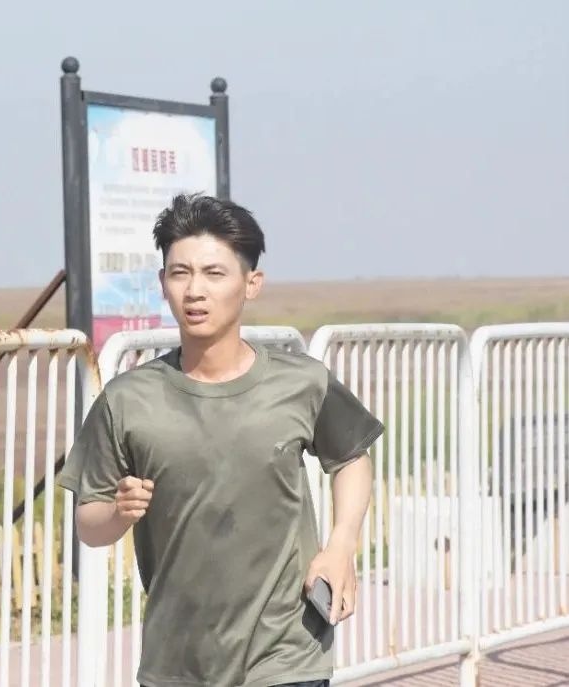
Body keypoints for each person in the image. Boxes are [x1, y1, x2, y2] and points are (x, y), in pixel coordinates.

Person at [58, 193, 384, 687]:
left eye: (214, 273)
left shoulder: (301, 382)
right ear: (162, 283)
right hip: (176, 664)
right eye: (180, 273)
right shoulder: (127, 399)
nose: (195, 291)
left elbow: (351, 457)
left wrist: (340, 546)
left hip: (286, 656)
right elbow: (90, 524)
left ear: (252, 283)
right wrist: (119, 512)